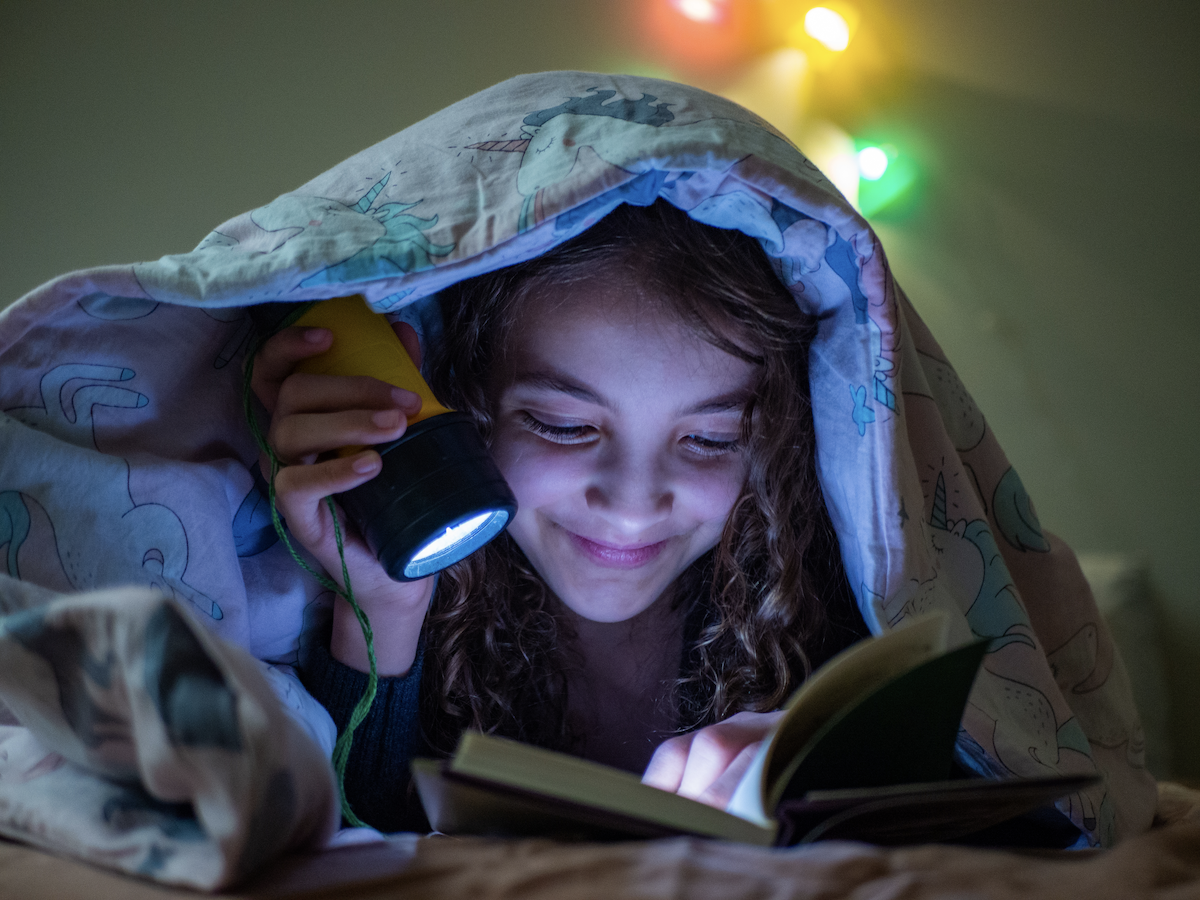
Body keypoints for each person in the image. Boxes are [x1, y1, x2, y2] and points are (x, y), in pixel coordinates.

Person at [250, 199, 867, 832]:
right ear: (470, 403)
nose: (631, 507)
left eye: (710, 439)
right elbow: (348, 858)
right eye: (563, 427)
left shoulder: (836, 611)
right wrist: (381, 607)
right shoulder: (421, 624)